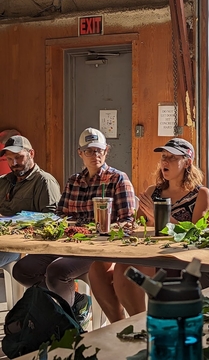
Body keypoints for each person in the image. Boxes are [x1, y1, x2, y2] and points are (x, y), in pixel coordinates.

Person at [13, 128, 136, 330]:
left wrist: (103, 230)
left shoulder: (117, 179)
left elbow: (127, 222)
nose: (95, 155)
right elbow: (60, 215)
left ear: (106, 151)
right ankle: (76, 302)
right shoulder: (74, 181)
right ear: (80, 153)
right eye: (89, 151)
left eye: (99, 150)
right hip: (68, 244)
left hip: (99, 248)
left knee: (57, 272)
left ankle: (67, 325)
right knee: (22, 269)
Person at [91, 138, 209, 323]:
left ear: (187, 162)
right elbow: (138, 226)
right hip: (146, 251)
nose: (165, 161)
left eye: (172, 157)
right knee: (97, 267)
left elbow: (198, 234)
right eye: (163, 157)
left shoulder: (201, 194)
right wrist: (125, 225)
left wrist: (163, 220)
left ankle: (140, 323)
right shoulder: (152, 192)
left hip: (177, 258)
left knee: (125, 270)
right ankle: (119, 324)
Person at [0, 135, 62, 266]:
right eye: (9, 159)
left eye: (18, 157)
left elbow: (52, 220)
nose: (14, 163)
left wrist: (12, 220)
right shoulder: (3, 181)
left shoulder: (44, 181)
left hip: (21, 246)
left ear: (31, 153)